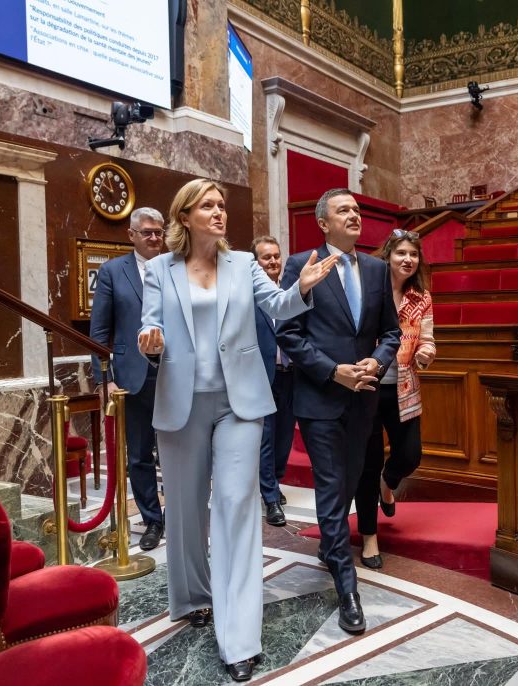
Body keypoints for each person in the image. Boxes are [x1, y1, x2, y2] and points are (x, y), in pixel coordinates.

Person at [137, 179, 338, 682]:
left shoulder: (244, 264)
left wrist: (302, 287)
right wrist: (149, 341)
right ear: (184, 216)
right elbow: (150, 324)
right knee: (186, 509)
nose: (219, 212)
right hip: (181, 401)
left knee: (235, 506)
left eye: (221, 205)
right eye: (207, 205)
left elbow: (279, 306)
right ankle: (193, 597)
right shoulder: (160, 269)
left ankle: (240, 639)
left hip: (239, 402)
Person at [276, 188, 401, 635]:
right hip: (320, 398)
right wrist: (332, 372)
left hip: (363, 397)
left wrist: (377, 362)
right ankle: (347, 587)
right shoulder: (301, 265)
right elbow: (288, 333)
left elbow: (391, 332)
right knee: (331, 485)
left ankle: (329, 545)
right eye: (343, 210)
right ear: (323, 223)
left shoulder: (376, 268)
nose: (354, 215)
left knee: (348, 482)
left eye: (357, 209)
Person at [354, 230, 436, 569]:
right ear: (388, 256)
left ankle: (388, 484)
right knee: (367, 464)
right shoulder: (368, 290)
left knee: (410, 454)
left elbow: (427, 339)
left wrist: (426, 353)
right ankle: (369, 537)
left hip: (404, 387)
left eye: (413, 254)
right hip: (368, 386)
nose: (408, 259)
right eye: (401, 253)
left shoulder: (421, 297)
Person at [88, 207, 166, 551]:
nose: (154, 238)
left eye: (159, 232)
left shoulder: (177, 268)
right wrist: (103, 378)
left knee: (180, 450)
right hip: (132, 377)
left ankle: (181, 514)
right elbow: (99, 332)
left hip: (175, 371)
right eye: (147, 232)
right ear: (131, 235)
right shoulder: (112, 272)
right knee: (139, 454)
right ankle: (152, 520)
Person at [251, 235, 296, 527]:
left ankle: (275, 482)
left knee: (285, 437)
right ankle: (270, 498)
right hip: (260, 376)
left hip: (290, 375)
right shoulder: (250, 296)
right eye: (266, 257)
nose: (273, 261)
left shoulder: (291, 291)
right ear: (255, 263)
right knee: (265, 438)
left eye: (276, 256)